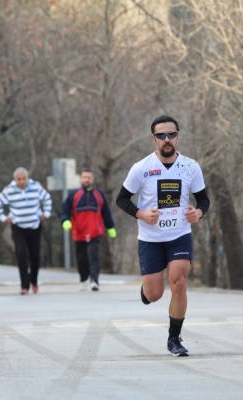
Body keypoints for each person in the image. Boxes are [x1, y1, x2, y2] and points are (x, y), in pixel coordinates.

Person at [116, 115, 210, 357]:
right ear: (153, 139)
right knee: (154, 294)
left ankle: (174, 338)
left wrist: (198, 213)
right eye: (161, 135)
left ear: (177, 136)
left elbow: (204, 199)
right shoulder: (141, 168)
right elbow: (122, 199)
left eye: (171, 134)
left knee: (179, 282)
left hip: (179, 235)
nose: (167, 139)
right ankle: (146, 291)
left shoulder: (191, 166)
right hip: (151, 239)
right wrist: (141, 214)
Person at [0, 167, 52, 295]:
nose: (21, 181)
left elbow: (47, 198)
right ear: (15, 179)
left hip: (34, 225)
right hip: (18, 226)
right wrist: (3, 217)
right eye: (19, 179)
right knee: (20, 253)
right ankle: (24, 285)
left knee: (35, 256)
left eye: (23, 178)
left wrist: (46, 213)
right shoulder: (9, 190)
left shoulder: (36, 187)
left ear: (27, 178)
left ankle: (34, 281)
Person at [60, 168, 117, 292]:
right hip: (79, 231)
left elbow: (106, 212)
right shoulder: (75, 194)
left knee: (94, 255)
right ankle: (83, 279)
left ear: (93, 179)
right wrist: (65, 220)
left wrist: (110, 226)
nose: (87, 179)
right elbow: (65, 209)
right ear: (81, 179)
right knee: (81, 257)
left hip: (95, 232)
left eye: (89, 177)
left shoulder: (99, 194)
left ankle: (94, 281)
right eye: (84, 177)